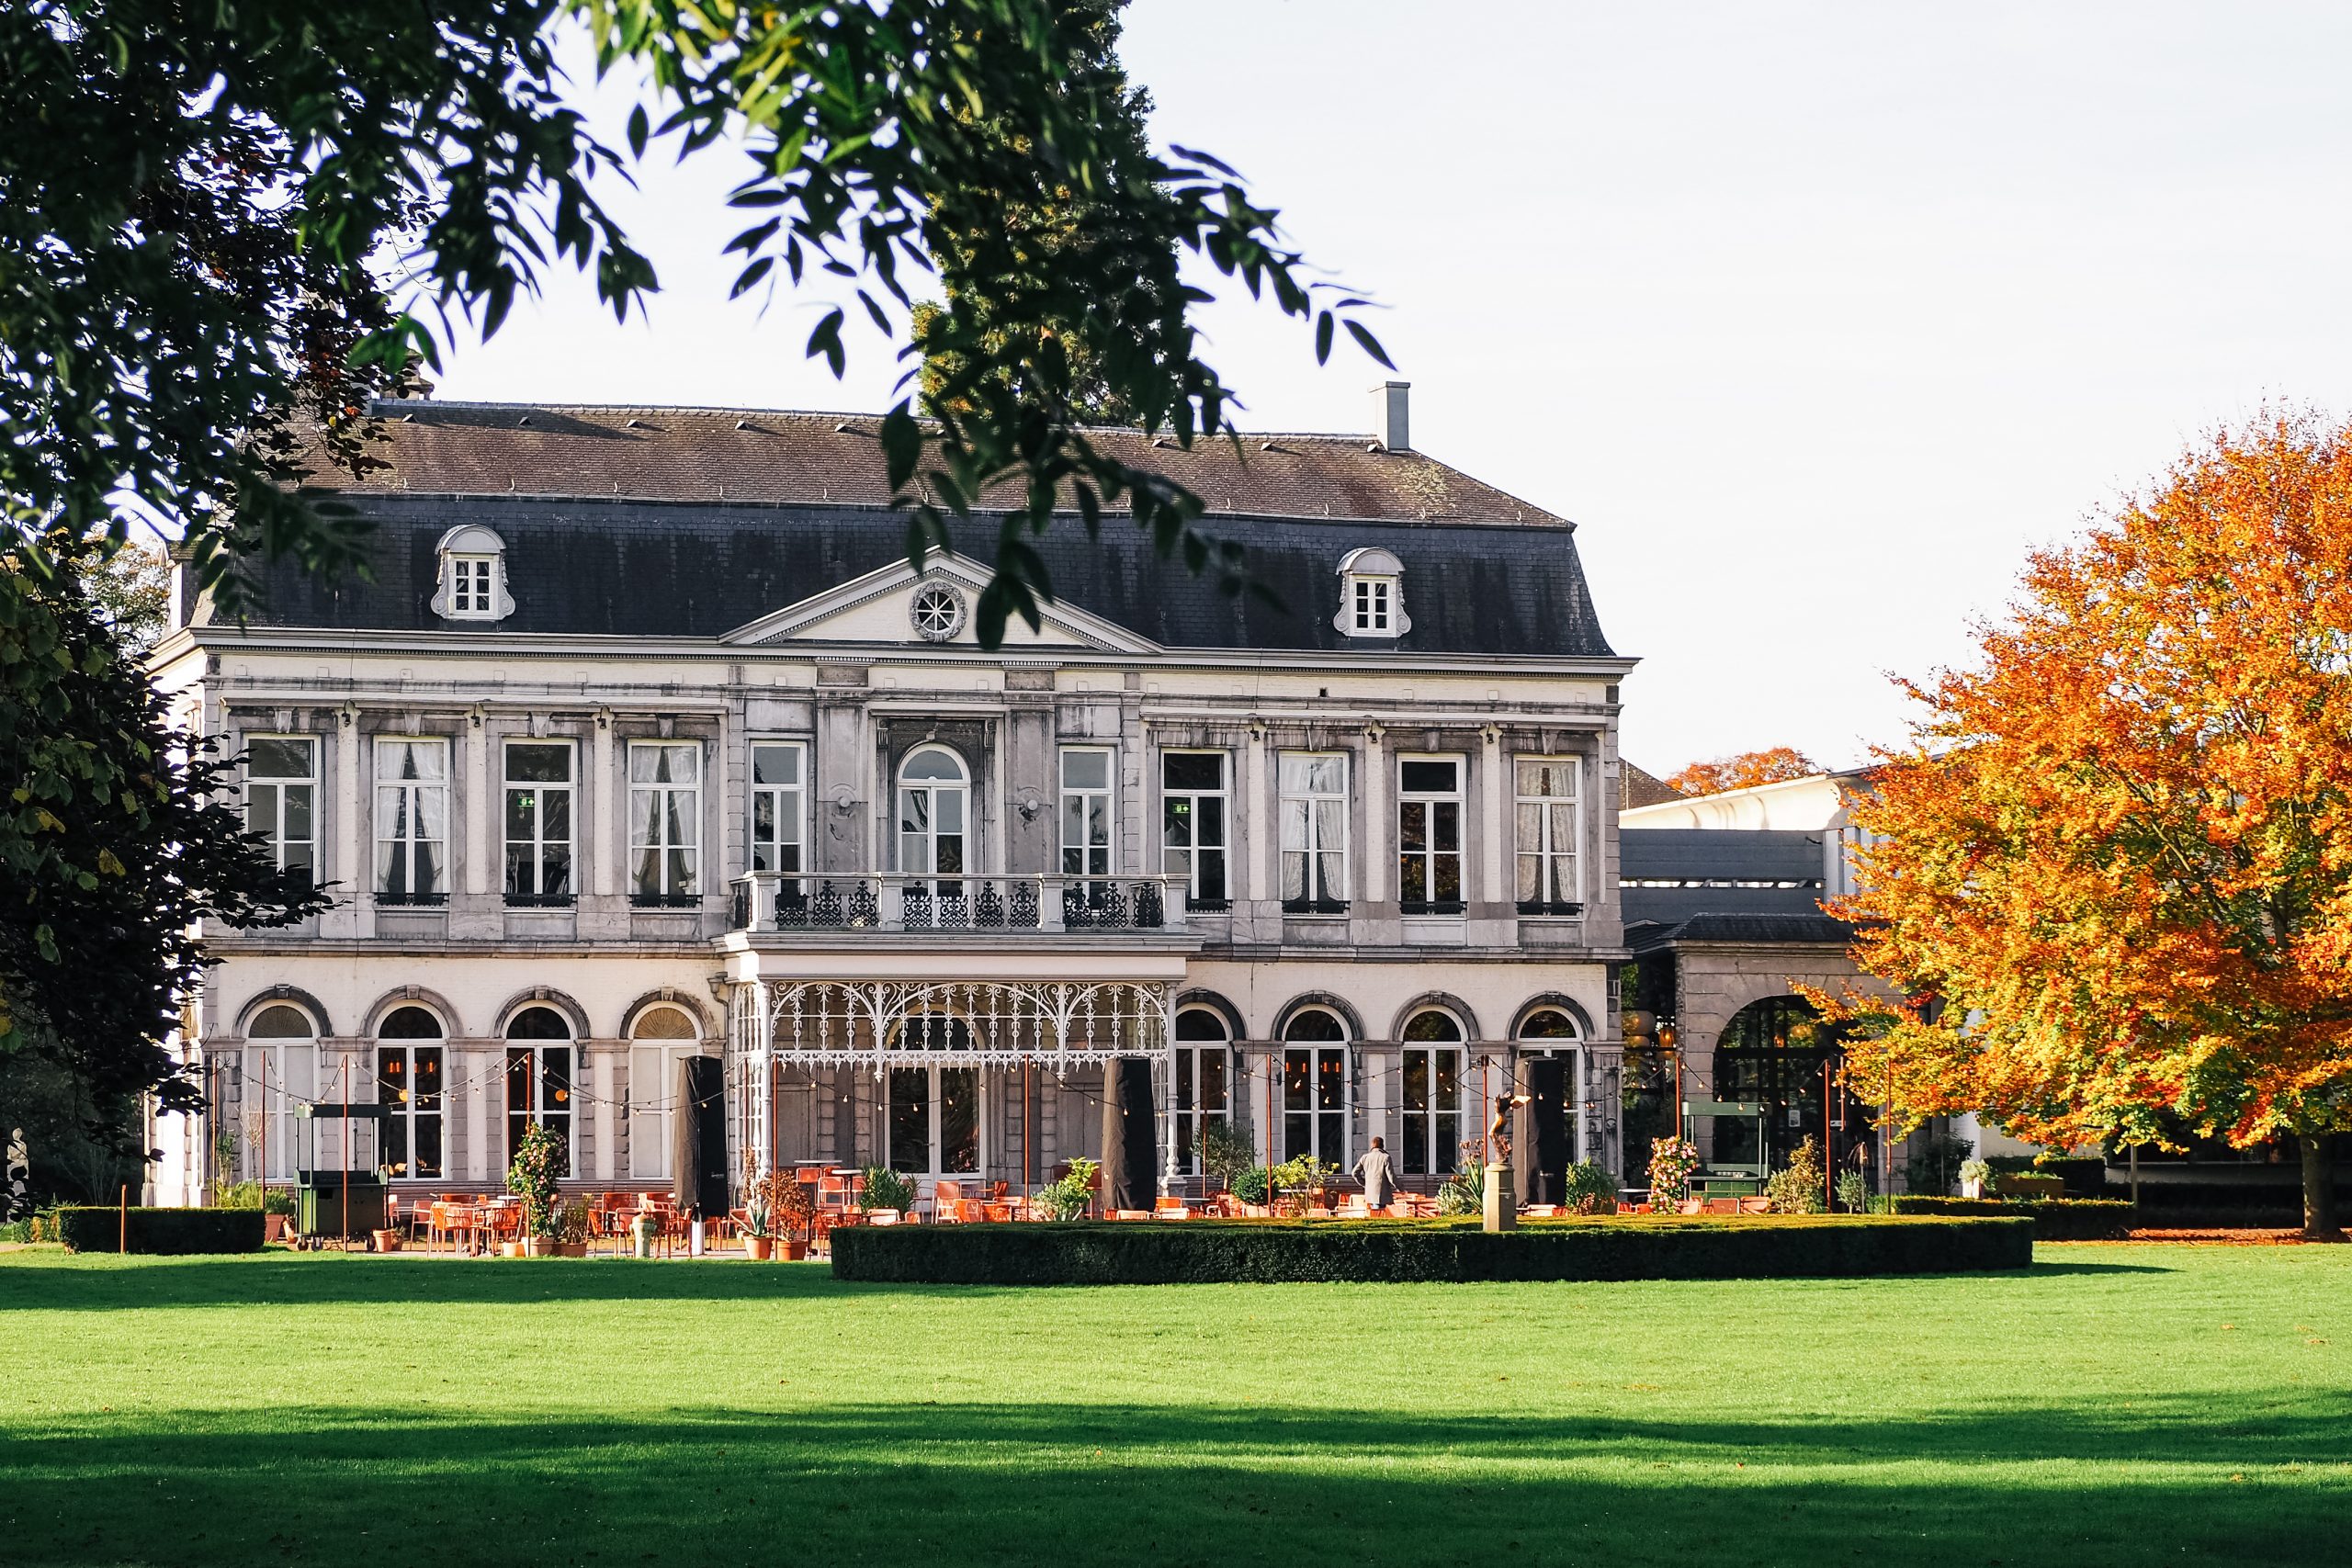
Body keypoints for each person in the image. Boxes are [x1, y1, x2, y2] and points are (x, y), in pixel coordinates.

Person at [1352, 1135, 1396, 1212]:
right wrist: (1400, 1188)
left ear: (1372, 1145)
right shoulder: (1385, 1157)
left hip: (1369, 1193)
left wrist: (1364, 1183)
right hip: (1381, 1192)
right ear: (1382, 1145)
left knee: (1374, 1212)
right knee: (1379, 1213)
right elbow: (1391, 1177)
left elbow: (1354, 1173)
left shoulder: (1365, 1157)